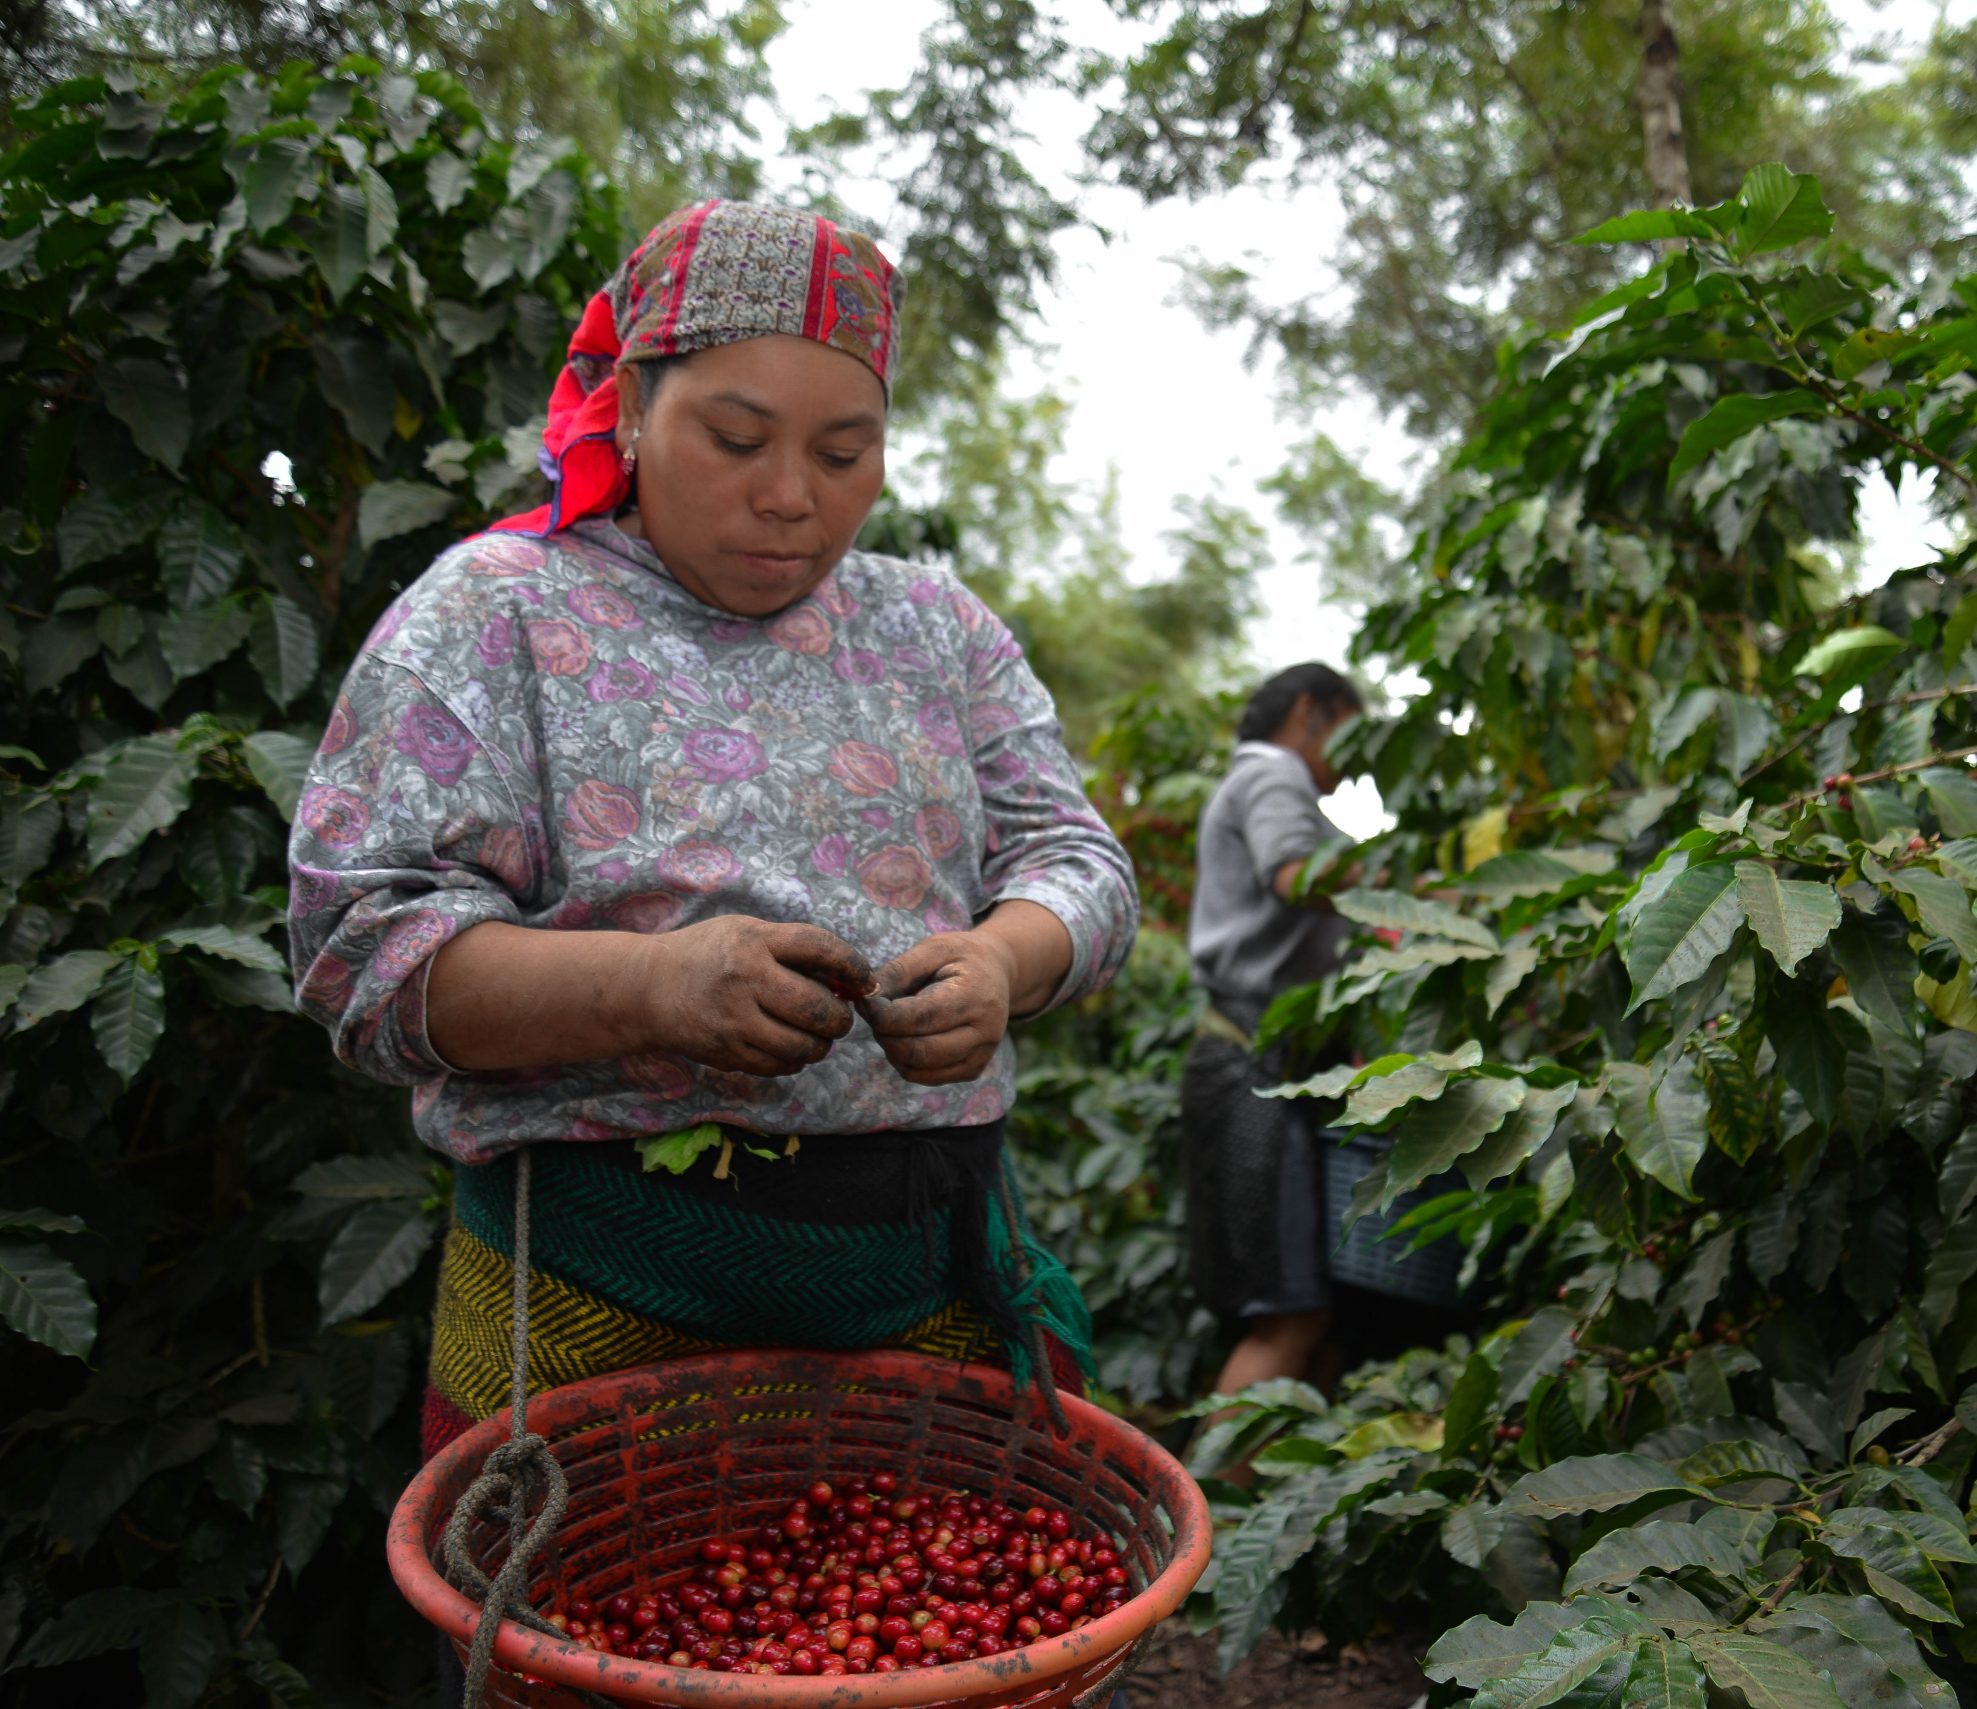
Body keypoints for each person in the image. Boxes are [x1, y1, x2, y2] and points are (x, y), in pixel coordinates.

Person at [286, 200, 1140, 1469]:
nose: (789, 496)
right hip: (599, 1294)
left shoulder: (937, 630)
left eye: (844, 452)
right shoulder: (497, 612)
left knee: (949, 1642)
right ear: (633, 404)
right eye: (735, 438)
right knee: (606, 1640)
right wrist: (654, 984)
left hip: (930, 1288)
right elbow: (356, 948)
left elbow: (1076, 861)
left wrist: (1006, 961)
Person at [1180, 663, 1365, 1402]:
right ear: (1311, 711)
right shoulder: (1276, 775)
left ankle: (1271, 1505)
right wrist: (1414, 889)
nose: (1357, 758)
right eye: (1353, 729)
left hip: (1269, 1063)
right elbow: (1295, 871)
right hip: (1255, 1064)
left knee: (1307, 1313)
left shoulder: (1272, 783)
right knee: (1289, 1314)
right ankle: (1194, 1515)